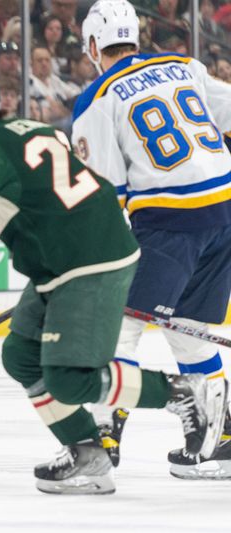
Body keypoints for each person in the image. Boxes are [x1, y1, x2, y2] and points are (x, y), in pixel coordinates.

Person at [0, 67, 226, 494]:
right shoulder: (32, 127)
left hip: (85, 262)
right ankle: (87, 453)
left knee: (67, 376)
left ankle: (182, 392)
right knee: (20, 354)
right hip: (75, 255)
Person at [72, 0, 231, 480]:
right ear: (136, 37)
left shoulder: (97, 98)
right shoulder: (185, 66)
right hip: (224, 208)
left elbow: (107, 195)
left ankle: (101, 439)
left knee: (118, 326)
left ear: (94, 45)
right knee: (187, 326)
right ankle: (220, 440)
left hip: (170, 220)